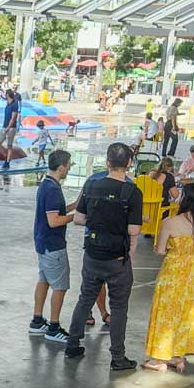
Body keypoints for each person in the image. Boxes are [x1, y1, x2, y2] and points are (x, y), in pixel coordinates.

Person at [64, 142, 142, 371]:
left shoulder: (91, 185)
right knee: (119, 308)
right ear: (129, 163)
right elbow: (134, 230)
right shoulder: (132, 192)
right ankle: (118, 357)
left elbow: (78, 219)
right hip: (117, 259)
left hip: (92, 255)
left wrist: (98, 221)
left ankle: (72, 344)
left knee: (85, 298)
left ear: (107, 162)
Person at [143, 183, 194, 373]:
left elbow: (160, 250)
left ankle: (159, 358)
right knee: (186, 313)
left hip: (173, 273)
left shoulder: (170, 222)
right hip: (193, 275)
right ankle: (178, 356)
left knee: (165, 312)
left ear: (184, 198)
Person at [30, 150, 76, 344]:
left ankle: (38, 319)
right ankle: (54, 327)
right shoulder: (53, 190)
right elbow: (54, 220)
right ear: (61, 167)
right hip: (53, 245)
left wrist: (75, 205)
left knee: (44, 280)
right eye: (68, 165)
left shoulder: (46, 184)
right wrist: (78, 217)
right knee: (60, 286)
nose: (69, 168)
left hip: (42, 243)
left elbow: (55, 211)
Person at [0, 88, 23, 169]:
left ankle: (7, 162)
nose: (5, 95)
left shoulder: (14, 104)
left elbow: (13, 118)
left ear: (8, 95)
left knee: (9, 145)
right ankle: (6, 156)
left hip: (11, 128)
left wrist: (8, 128)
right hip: (4, 126)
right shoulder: (7, 103)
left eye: (5, 94)